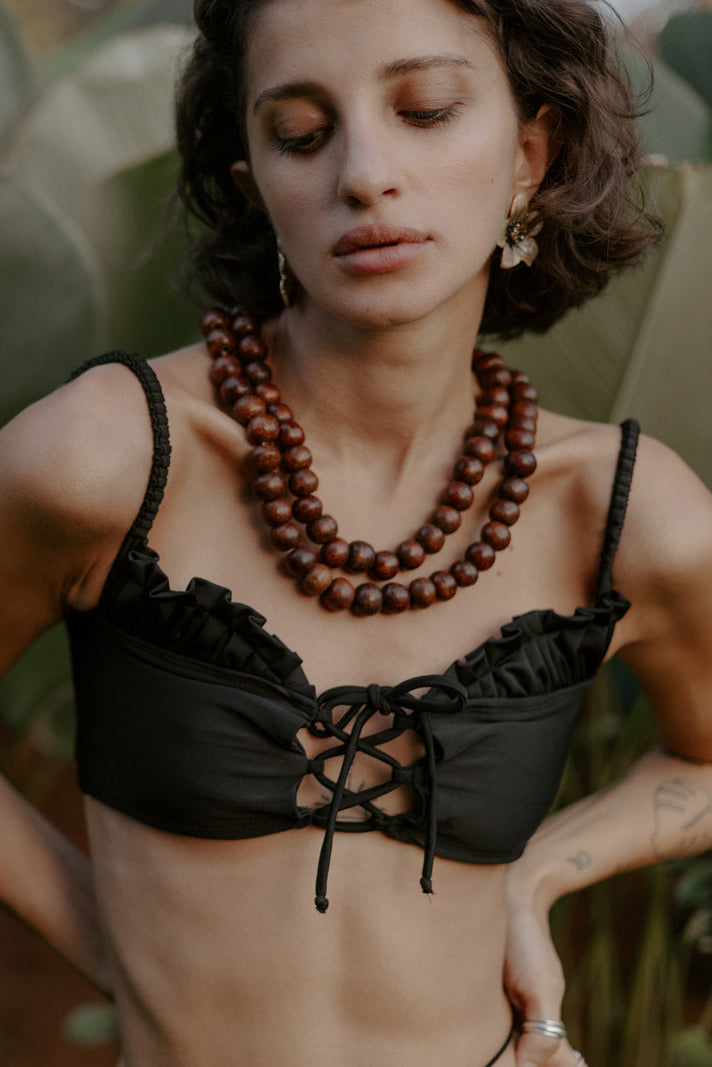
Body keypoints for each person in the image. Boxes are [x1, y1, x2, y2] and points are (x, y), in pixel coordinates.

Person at [1, 0, 711, 1064]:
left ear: (529, 153)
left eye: (423, 109)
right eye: (300, 132)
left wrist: (540, 869)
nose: (365, 171)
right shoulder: (107, 459)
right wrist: (111, 938)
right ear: (256, 189)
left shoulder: (620, 510)